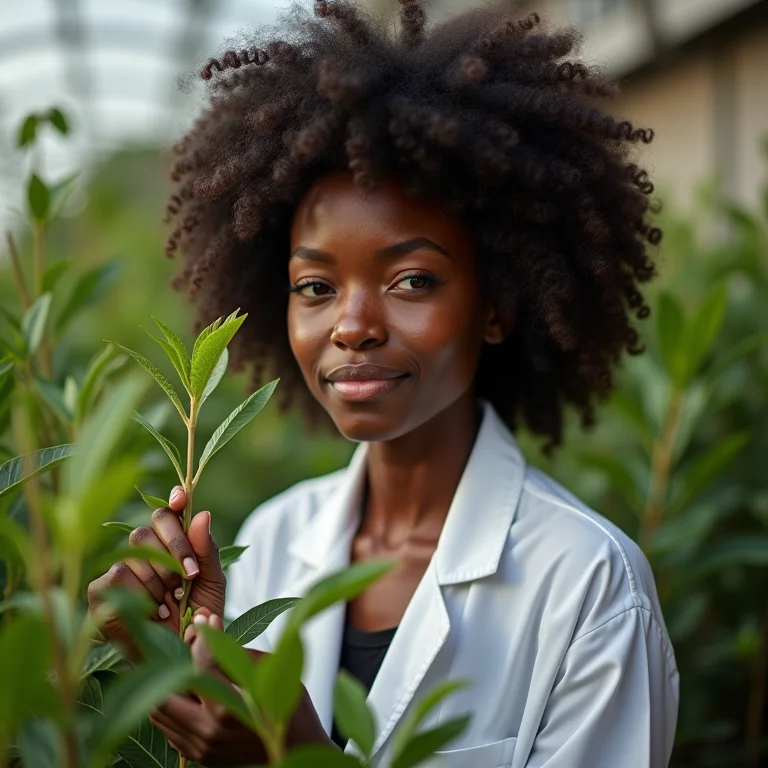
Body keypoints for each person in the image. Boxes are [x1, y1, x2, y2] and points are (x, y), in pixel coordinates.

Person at [88, 1, 679, 765]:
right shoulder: (268, 543)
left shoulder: (590, 587)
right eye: (315, 287)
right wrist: (148, 672)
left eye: (411, 279)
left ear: (495, 306)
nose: (351, 325)